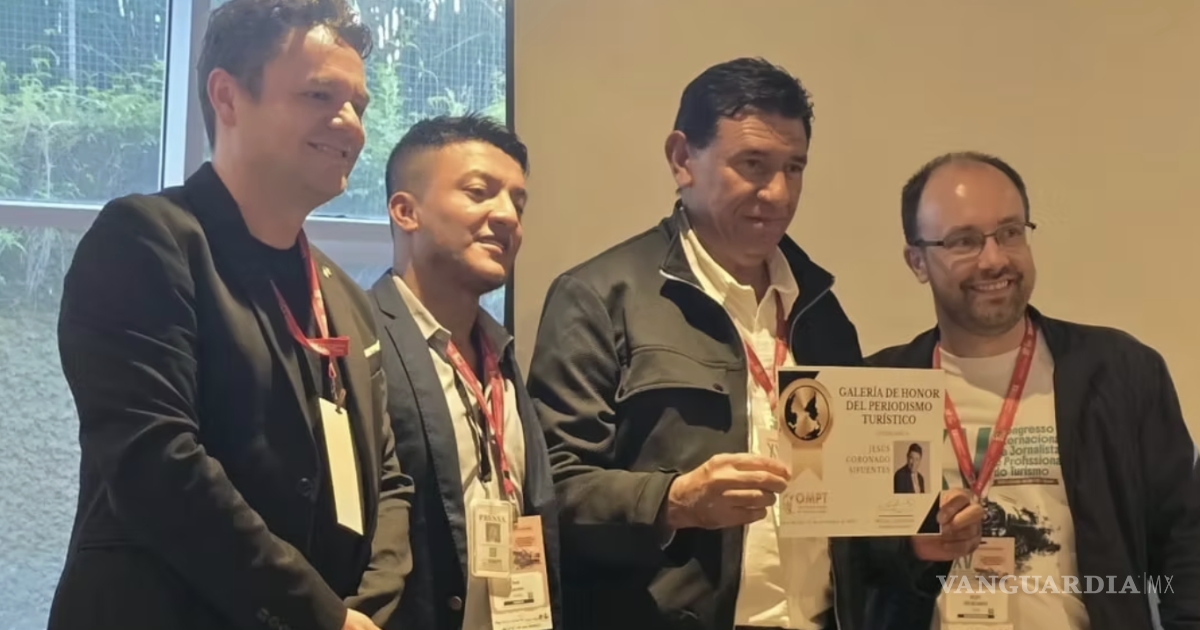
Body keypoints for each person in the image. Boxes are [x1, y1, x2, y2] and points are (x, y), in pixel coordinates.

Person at [524, 57, 982, 630]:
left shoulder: (821, 311)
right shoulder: (597, 298)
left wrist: (915, 542)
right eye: (753, 165)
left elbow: (852, 514)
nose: (779, 193)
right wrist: (675, 502)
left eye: (795, 168)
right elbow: (552, 493)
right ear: (682, 159)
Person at [48, 1, 414, 629]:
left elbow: (389, 483)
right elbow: (158, 465)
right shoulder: (148, 240)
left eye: (360, 104)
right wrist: (320, 616)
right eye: (320, 95)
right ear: (227, 97)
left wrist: (363, 614)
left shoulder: (346, 301)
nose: (351, 123)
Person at [865, 151, 1200, 630]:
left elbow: (1185, 537)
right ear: (917, 261)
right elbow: (852, 566)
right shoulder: (876, 388)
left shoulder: (1120, 371)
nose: (995, 259)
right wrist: (912, 550)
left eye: (1009, 232)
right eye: (964, 241)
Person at [368, 114, 561, 630]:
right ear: (405, 211)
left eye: (518, 203)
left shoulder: (502, 355)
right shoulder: (360, 341)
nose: (507, 216)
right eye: (479, 193)